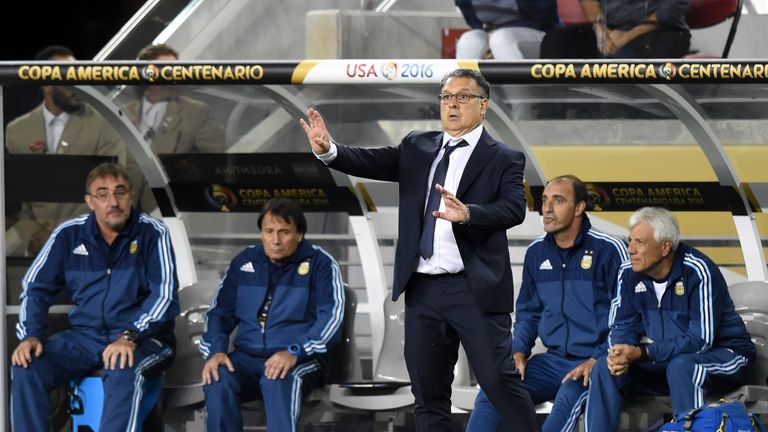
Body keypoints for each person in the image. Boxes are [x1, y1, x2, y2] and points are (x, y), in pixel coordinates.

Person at [300, 68, 539, 431]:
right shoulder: (418, 146)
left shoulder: (503, 157)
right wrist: (329, 150)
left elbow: (514, 208)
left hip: (473, 289)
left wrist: (470, 213)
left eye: (463, 97)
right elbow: (371, 160)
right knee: (428, 395)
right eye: (446, 97)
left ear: (484, 105)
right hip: (423, 289)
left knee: (498, 381)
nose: (452, 104)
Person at [11, 162, 179, 432]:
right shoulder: (68, 235)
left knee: (123, 367)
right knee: (28, 366)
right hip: (85, 338)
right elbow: (35, 287)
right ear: (90, 202)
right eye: (103, 194)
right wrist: (30, 335)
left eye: (120, 192)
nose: (113, 201)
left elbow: (165, 295)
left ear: (131, 195)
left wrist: (130, 337)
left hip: (145, 339)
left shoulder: (152, 233)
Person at [467, 175, 628, 432]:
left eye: (558, 200)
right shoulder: (536, 253)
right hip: (552, 362)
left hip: (596, 363)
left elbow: (627, 317)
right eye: (544, 201)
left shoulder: (609, 250)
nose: (547, 209)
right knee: (494, 391)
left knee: (565, 403)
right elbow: (529, 313)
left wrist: (598, 359)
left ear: (579, 208)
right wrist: (518, 352)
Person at [584, 207, 755, 431]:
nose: (630, 249)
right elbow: (622, 325)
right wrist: (620, 352)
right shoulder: (628, 272)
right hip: (666, 362)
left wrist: (644, 353)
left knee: (684, 367)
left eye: (639, 242)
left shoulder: (697, 270)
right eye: (629, 241)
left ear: (665, 247)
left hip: (726, 356)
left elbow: (700, 340)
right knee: (605, 368)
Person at [200, 197, 345, 431]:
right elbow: (219, 314)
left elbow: (332, 319)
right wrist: (216, 351)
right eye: (269, 231)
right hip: (247, 358)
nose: (275, 240)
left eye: (284, 232)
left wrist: (295, 351)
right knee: (218, 377)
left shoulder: (321, 263)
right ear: (261, 233)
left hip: (301, 358)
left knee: (277, 378)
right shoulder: (244, 262)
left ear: (300, 234)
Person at [5, 45, 132, 256]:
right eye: (67, 76)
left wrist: (60, 234)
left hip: (91, 232)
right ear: (46, 83)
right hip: (34, 234)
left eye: (78, 74)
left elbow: (112, 191)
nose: (77, 84)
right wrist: (35, 232)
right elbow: (19, 199)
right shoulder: (17, 130)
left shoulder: (104, 124)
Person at [123, 43, 225, 154]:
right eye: (166, 71)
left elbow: (215, 159)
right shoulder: (123, 113)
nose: (172, 77)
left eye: (175, 70)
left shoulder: (196, 112)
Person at [539, 0, 690, 58]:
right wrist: (601, 31)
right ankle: (550, 115)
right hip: (611, 29)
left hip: (662, 30)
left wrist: (625, 37)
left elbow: (676, 5)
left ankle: (615, 118)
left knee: (624, 55)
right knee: (555, 41)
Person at [455, 0, 559, 59]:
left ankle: (516, 96)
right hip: (492, 32)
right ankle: (466, 95)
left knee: (500, 39)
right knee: (468, 41)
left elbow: (546, 17)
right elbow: (474, 22)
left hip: (542, 34)